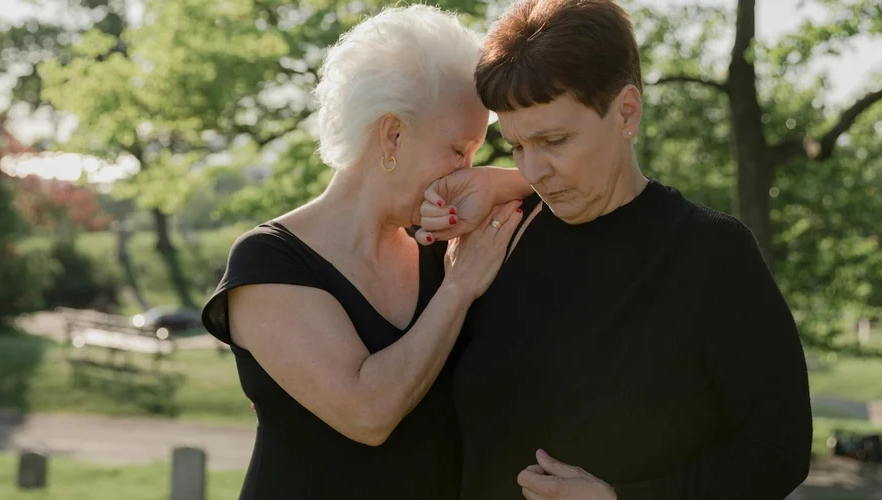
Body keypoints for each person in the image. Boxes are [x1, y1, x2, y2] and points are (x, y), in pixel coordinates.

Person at [418, 0, 813, 498]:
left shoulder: (711, 254)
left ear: (626, 111)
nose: (535, 170)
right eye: (517, 147)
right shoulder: (491, 238)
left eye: (555, 140)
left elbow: (779, 450)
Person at [199, 5, 528, 499]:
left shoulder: (446, 244)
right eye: (461, 149)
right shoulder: (267, 262)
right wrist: (457, 291)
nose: (467, 170)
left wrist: (497, 182)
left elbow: (582, 194)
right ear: (392, 134)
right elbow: (368, 413)